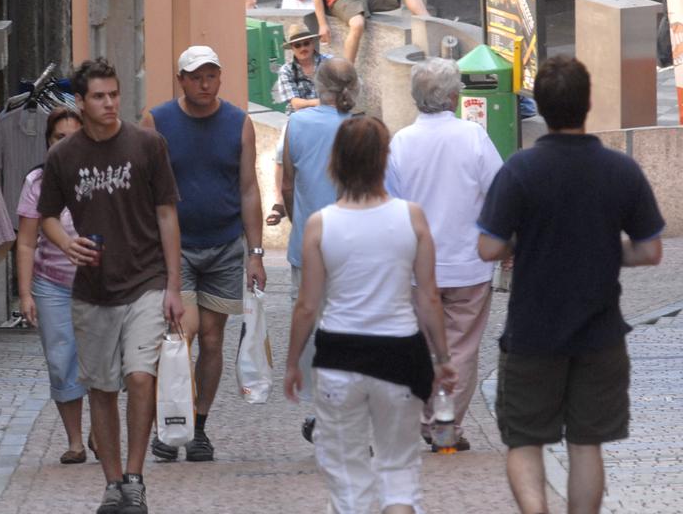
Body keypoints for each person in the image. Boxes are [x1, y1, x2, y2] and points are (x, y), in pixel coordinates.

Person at [477, 56, 665, 514]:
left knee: (524, 440)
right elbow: (650, 250)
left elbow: (488, 249)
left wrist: (528, 243)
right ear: (588, 103)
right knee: (587, 445)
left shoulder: (520, 170)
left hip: (531, 333)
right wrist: (603, 250)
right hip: (599, 332)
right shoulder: (620, 170)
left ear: (539, 106)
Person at [285, 116, 456, 514]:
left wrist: (293, 362)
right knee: (399, 472)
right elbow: (428, 297)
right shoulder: (412, 218)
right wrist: (443, 359)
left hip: (339, 356)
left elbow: (307, 306)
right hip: (400, 354)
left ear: (336, 162)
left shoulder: (319, 225)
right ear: (383, 160)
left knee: (347, 479)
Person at [38, 58, 183, 514]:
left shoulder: (147, 145)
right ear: (79, 103)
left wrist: (175, 285)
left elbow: (167, 214)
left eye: (114, 94)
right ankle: (113, 482)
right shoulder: (63, 156)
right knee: (101, 388)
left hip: (146, 280)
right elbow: (44, 217)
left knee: (140, 378)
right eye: (98, 96)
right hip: (92, 289)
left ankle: (135, 479)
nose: (109, 103)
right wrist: (67, 242)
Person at [144, 46, 268, 464]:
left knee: (213, 339)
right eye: (196, 76)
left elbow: (249, 188)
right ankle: (169, 424)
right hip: (177, 249)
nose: (204, 83)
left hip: (224, 245)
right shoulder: (158, 121)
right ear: (181, 79)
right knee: (182, 336)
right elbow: (146, 191)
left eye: (211, 75)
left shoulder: (238, 123)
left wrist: (255, 253)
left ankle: (198, 426)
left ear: (220, 77)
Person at [385, 58, 502, 452]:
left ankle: (423, 418)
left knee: (421, 345)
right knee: (462, 349)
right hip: (470, 263)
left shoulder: (400, 142)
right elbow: (499, 193)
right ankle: (446, 426)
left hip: (418, 267)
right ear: (454, 96)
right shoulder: (474, 136)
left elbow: (391, 205)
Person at [281, 58, 358, 441]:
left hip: (308, 243)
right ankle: (343, 411)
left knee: (311, 325)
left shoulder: (296, 124)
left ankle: (321, 409)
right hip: (354, 247)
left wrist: (300, 222)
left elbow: (287, 185)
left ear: (318, 85)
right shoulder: (359, 129)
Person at [16, 107, 91, 465]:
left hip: (99, 284)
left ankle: (101, 428)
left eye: (74, 136)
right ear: (49, 142)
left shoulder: (100, 176)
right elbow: (27, 242)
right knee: (62, 361)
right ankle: (75, 441)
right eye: (60, 137)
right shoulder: (37, 183)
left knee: (102, 360)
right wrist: (26, 292)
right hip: (53, 285)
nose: (67, 144)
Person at [266, 24, 331, 227]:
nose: (303, 48)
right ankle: (278, 201)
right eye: (297, 45)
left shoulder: (329, 64)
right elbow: (295, 105)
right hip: (298, 120)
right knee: (279, 152)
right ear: (292, 48)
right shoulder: (286, 70)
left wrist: (320, 103)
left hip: (328, 117)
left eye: (306, 43)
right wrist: (321, 101)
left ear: (312, 43)